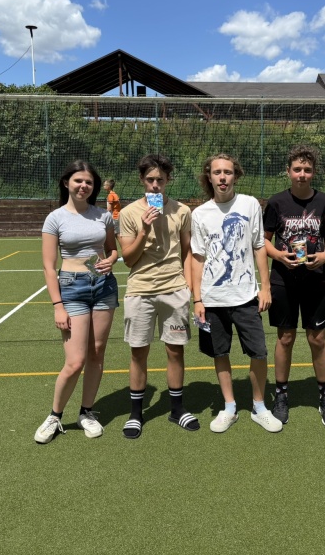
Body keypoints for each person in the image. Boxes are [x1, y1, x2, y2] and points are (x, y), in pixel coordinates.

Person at [191, 153, 283, 433]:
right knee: (220, 353)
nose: (223, 177)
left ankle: (259, 407)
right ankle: (229, 407)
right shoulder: (199, 214)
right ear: (209, 177)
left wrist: (265, 287)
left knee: (259, 352)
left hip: (245, 297)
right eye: (217, 172)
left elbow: (259, 246)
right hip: (212, 299)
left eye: (228, 172)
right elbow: (198, 258)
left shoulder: (249, 204)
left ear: (236, 176)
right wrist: (198, 299)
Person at [35, 161, 119, 444]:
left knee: (97, 352)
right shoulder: (55, 218)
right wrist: (57, 305)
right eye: (78, 181)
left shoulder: (102, 216)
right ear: (66, 183)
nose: (84, 186)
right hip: (72, 288)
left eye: (89, 182)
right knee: (74, 362)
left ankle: (86, 412)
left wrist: (111, 259)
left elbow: (112, 249)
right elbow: (49, 267)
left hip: (104, 286)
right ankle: (54, 416)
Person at [117, 155, 198, 439]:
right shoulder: (128, 213)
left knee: (175, 350)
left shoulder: (182, 211)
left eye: (160, 180)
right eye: (150, 180)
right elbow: (128, 259)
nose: (155, 185)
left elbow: (187, 251)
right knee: (138, 352)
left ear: (167, 181)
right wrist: (145, 229)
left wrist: (188, 287)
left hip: (174, 289)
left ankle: (177, 409)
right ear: (142, 180)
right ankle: (136, 414)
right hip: (140, 290)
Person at [263, 145, 325, 427]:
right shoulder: (276, 202)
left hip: (315, 279)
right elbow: (263, 241)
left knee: (317, 338)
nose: (302, 174)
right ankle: (281, 394)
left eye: (307, 169)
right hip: (283, 280)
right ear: (288, 172)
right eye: (297, 169)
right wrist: (278, 255)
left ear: (314, 172)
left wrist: (324, 256)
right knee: (285, 337)